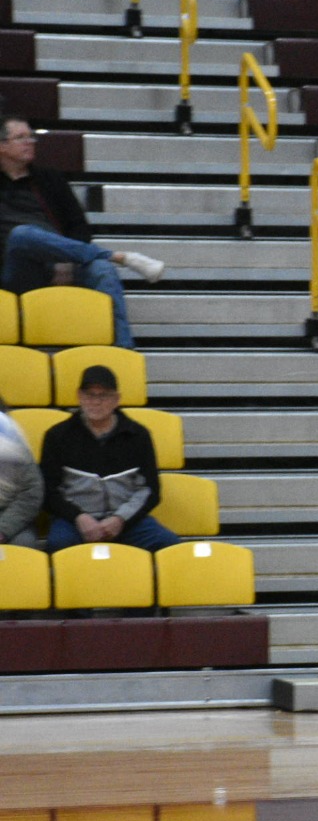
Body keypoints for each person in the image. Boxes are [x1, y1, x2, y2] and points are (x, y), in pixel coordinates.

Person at [2, 114, 162, 349]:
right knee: (22, 235)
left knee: (103, 270)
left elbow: (79, 225)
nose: (30, 142)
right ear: (2, 146)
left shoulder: (49, 178)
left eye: (31, 137)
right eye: (20, 137)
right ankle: (115, 255)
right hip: (16, 268)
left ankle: (124, 354)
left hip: (62, 261)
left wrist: (66, 260)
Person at [38, 364, 179, 552]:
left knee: (168, 545)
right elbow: (48, 491)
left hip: (127, 521)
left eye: (103, 395)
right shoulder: (57, 436)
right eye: (89, 395)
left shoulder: (138, 435)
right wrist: (79, 518)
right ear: (79, 396)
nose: (96, 402)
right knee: (58, 544)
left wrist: (120, 519)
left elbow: (151, 490)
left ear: (116, 399)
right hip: (75, 521)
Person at [0, 402, 43, 547]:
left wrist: (3, 529)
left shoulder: (17, 448)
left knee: (24, 543)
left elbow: (30, 494)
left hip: (12, 520)